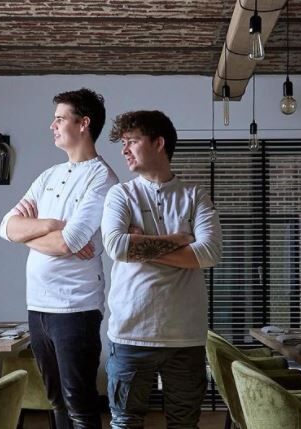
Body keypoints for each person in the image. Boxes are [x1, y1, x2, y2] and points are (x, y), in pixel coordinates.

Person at [0, 88, 118, 429]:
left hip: (76, 308)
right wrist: (51, 225)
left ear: (83, 124)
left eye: (59, 119)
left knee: (79, 404)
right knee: (56, 403)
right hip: (37, 306)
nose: (52, 126)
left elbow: (70, 242)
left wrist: (30, 234)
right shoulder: (48, 176)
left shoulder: (102, 178)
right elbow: (5, 226)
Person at [101, 110, 222, 429]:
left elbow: (208, 253)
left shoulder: (195, 196)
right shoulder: (121, 194)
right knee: (125, 423)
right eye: (123, 143)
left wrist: (140, 246)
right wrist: (181, 240)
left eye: (132, 141)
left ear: (158, 143)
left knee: (184, 424)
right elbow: (117, 247)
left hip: (186, 337)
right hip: (131, 333)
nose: (124, 150)